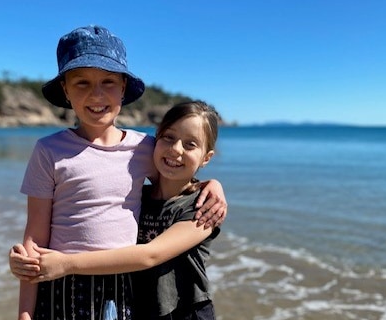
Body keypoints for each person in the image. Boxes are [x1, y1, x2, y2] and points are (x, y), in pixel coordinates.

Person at [14, 25, 227, 320]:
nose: (96, 94)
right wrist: (25, 313)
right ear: (65, 88)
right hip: (58, 282)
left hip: (122, 285)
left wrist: (212, 183)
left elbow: (178, 178)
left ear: (124, 87)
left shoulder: (145, 148)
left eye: (108, 82)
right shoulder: (48, 150)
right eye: (82, 83)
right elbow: (34, 240)